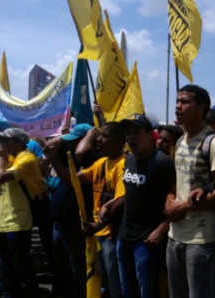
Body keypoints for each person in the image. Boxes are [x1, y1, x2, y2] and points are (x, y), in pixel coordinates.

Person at [165, 84, 215, 298]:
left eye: (184, 102)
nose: (178, 106)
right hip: (174, 236)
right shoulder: (180, 141)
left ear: (201, 107)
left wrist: (184, 206)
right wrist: (170, 199)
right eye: (177, 101)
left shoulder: (214, 142)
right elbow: (178, 182)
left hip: (201, 240)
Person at [115, 114, 176, 298]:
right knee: (127, 291)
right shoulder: (129, 160)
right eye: (127, 133)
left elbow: (176, 198)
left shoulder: (163, 162)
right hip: (124, 238)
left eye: (136, 133)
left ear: (150, 136)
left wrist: (162, 228)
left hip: (147, 242)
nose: (130, 138)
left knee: (148, 292)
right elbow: (131, 194)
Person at [43, 123, 98, 298]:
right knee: (64, 273)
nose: (71, 145)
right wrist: (53, 157)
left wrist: (90, 134)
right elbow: (50, 144)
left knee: (80, 273)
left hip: (76, 227)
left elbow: (81, 152)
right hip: (60, 227)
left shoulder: (92, 160)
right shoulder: (71, 158)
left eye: (75, 142)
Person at [78, 122, 126, 298]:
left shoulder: (123, 164)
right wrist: (53, 160)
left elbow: (121, 201)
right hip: (99, 233)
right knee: (104, 282)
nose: (99, 139)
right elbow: (73, 181)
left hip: (112, 233)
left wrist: (98, 224)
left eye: (104, 136)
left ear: (120, 140)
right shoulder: (101, 163)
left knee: (115, 284)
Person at [0, 128, 46, 297]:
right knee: (7, 267)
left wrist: (2, 156)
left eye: (6, 142)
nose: (2, 145)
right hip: (3, 222)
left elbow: (1, 177)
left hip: (18, 222)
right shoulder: (10, 158)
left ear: (19, 143)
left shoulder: (26, 159)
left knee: (21, 266)